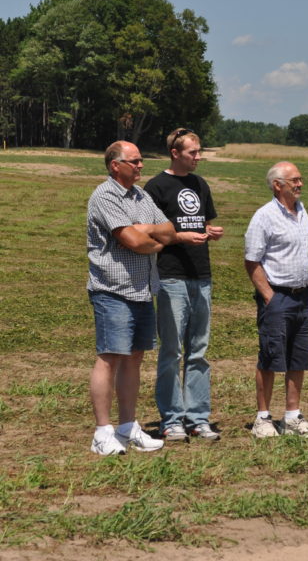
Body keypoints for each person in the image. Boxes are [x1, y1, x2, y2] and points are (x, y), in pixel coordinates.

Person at [87, 140, 176, 455]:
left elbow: (168, 230)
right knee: (110, 357)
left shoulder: (141, 195)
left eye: (141, 160)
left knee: (135, 358)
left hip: (142, 290)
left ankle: (127, 427)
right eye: (135, 161)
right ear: (116, 165)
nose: (141, 166)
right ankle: (102, 432)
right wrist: (151, 241)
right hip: (113, 290)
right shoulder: (105, 195)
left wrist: (148, 230)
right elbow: (131, 240)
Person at [144, 128, 223, 441]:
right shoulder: (156, 187)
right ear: (175, 153)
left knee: (199, 351)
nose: (198, 157)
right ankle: (172, 418)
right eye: (193, 152)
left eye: (199, 151)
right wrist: (179, 237)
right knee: (172, 351)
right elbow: (149, 231)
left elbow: (200, 221)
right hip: (171, 276)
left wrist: (209, 231)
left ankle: (197, 417)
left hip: (201, 276)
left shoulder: (200, 184)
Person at [244, 161, 308, 438]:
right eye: (294, 180)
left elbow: (305, 254)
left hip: (305, 297)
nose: (300, 184)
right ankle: (263, 419)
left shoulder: (302, 211)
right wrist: (269, 297)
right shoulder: (264, 216)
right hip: (278, 297)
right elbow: (252, 261)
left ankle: (292, 417)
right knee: (270, 356)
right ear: (278, 185)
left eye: (301, 179)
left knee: (299, 357)